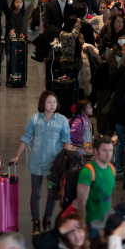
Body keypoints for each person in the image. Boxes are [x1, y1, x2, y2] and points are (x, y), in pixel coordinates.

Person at [11, 91, 72, 236]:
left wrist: (65, 159)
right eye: (49, 102)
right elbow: (26, 138)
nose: (52, 105)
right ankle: (36, 222)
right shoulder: (35, 119)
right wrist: (17, 156)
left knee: (52, 193)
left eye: (54, 102)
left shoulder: (62, 120)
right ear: (43, 103)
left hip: (53, 165)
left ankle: (47, 219)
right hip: (36, 162)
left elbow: (66, 140)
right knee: (36, 193)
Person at [77, 136, 116, 239]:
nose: (108, 154)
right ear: (95, 151)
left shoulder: (112, 169)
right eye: (104, 150)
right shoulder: (87, 172)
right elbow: (81, 203)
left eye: (110, 150)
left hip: (106, 222)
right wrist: (83, 227)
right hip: (91, 224)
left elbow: (109, 195)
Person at [60, 12, 84, 79]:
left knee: (76, 81)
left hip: (77, 60)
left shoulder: (79, 34)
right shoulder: (63, 34)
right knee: (68, 80)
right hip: (67, 62)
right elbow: (72, 36)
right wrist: (77, 25)